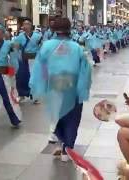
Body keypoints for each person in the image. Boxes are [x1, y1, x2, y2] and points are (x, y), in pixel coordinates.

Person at [29, 17, 92, 162]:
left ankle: (63, 142)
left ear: (53, 29)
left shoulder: (46, 46)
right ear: (70, 29)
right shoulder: (77, 47)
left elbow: (40, 67)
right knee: (72, 119)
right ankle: (67, 148)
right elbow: (85, 71)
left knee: (57, 117)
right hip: (73, 87)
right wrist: (82, 88)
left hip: (54, 87)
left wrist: (40, 85)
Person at [14, 18, 42, 103]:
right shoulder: (19, 36)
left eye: (27, 24)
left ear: (31, 26)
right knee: (21, 77)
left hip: (34, 59)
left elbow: (42, 47)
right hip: (23, 59)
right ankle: (21, 95)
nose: (25, 26)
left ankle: (34, 96)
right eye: (24, 24)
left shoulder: (38, 36)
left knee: (34, 78)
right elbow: (16, 47)